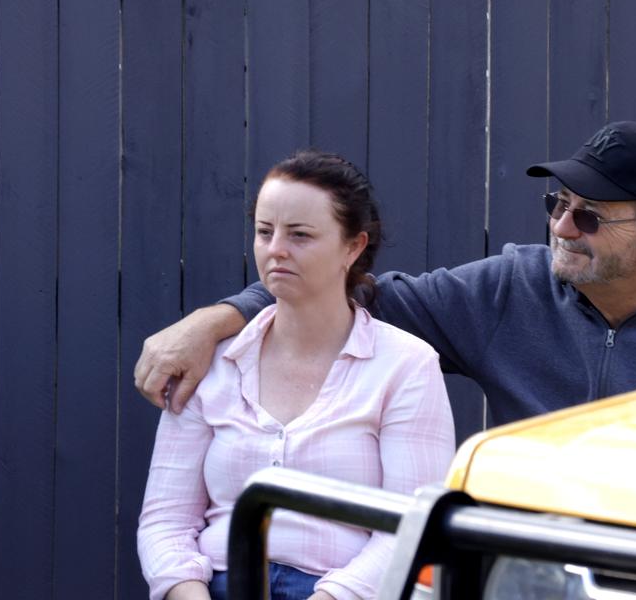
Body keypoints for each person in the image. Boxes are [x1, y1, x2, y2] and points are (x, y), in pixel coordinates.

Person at [134, 121, 636, 426]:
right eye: (557, 205)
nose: (561, 228)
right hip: (515, 571)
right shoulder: (512, 288)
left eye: (589, 218)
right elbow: (350, 296)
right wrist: (215, 320)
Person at [137, 151, 456, 600]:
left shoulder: (406, 365)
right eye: (265, 232)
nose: (276, 249)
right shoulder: (211, 361)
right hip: (214, 586)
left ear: (354, 247)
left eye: (300, 235)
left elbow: (409, 528)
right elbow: (165, 520)